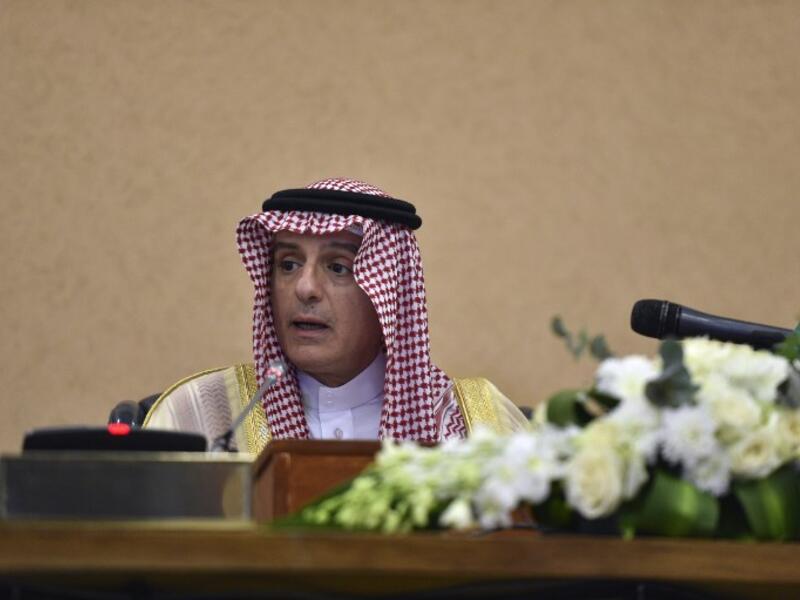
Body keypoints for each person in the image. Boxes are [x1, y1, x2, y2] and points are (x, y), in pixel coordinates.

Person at [145, 178, 528, 453]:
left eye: (338, 268)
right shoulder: (198, 415)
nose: (305, 288)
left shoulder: (478, 427)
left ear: (389, 294)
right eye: (289, 263)